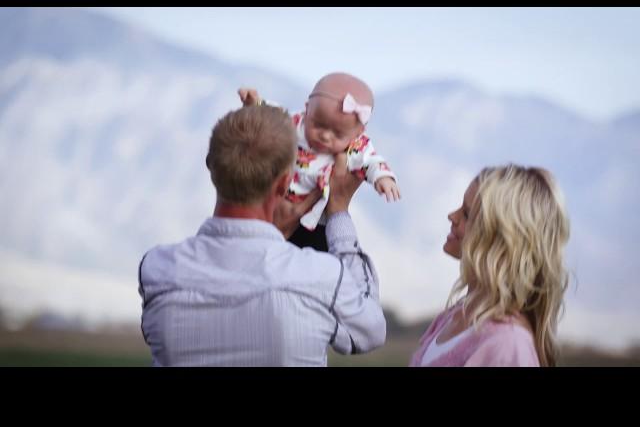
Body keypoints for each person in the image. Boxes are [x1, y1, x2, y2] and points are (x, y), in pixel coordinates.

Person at [138, 102, 386, 366]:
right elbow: (371, 331)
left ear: (212, 167)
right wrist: (338, 212)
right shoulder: (318, 277)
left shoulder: (158, 270)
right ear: (283, 183)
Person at [409, 164, 570, 367]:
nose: (453, 216)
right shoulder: (454, 317)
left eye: (467, 214)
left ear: (501, 240)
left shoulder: (508, 344)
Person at [239, 72, 400, 252]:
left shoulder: (355, 146)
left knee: (315, 258)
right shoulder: (295, 124)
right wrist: (256, 104)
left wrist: (383, 178)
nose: (325, 136)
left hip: (318, 220)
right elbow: (274, 115)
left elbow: (371, 160)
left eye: (337, 134)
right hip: (277, 207)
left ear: (358, 131)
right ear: (307, 110)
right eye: (318, 125)